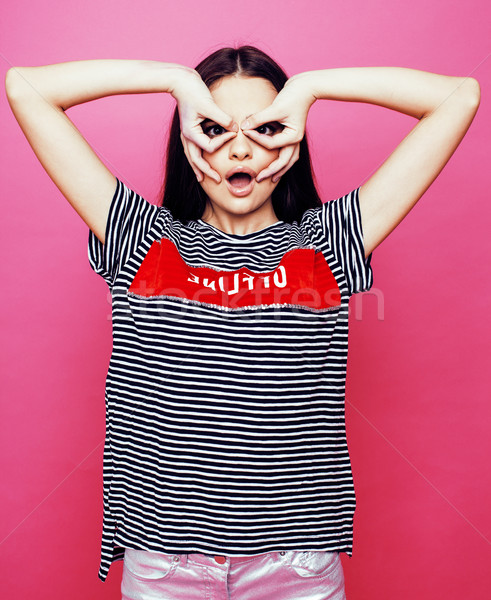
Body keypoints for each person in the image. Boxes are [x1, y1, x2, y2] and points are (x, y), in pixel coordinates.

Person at [5, 46, 480, 600]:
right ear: (186, 138)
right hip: (164, 566)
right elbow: (25, 88)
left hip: (295, 567)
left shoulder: (330, 240)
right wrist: (175, 82)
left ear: (293, 138)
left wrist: (309, 88)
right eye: (214, 127)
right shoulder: (139, 236)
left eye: (264, 128)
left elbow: (458, 97)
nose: (239, 148)